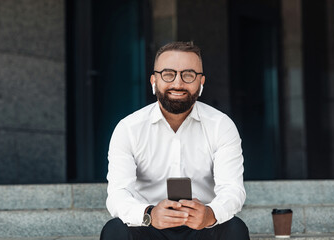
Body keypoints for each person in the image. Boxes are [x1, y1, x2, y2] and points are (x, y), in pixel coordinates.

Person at [100, 41, 250, 240]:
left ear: (201, 81)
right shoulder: (128, 128)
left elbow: (232, 190)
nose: (178, 84)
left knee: (235, 229)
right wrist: (149, 215)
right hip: (149, 227)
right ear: (154, 80)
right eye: (168, 74)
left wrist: (210, 215)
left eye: (188, 75)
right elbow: (118, 195)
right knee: (114, 231)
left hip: (202, 228)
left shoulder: (221, 125)